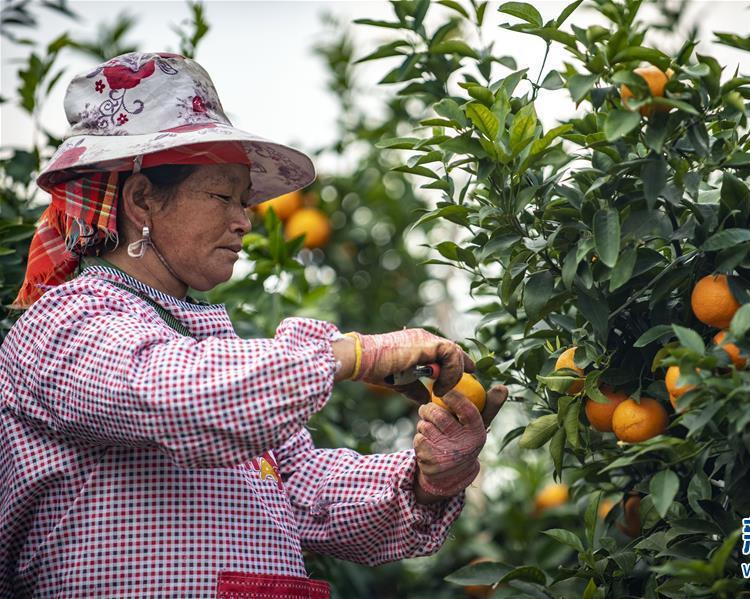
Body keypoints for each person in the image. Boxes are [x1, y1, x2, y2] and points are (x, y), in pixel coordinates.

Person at [0, 52, 508, 598]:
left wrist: (428, 481)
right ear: (143, 199)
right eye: (223, 196)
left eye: (245, 201)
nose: (245, 220)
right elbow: (181, 394)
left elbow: (304, 490)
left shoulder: (201, 340)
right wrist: (356, 354)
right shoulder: (64, 324)